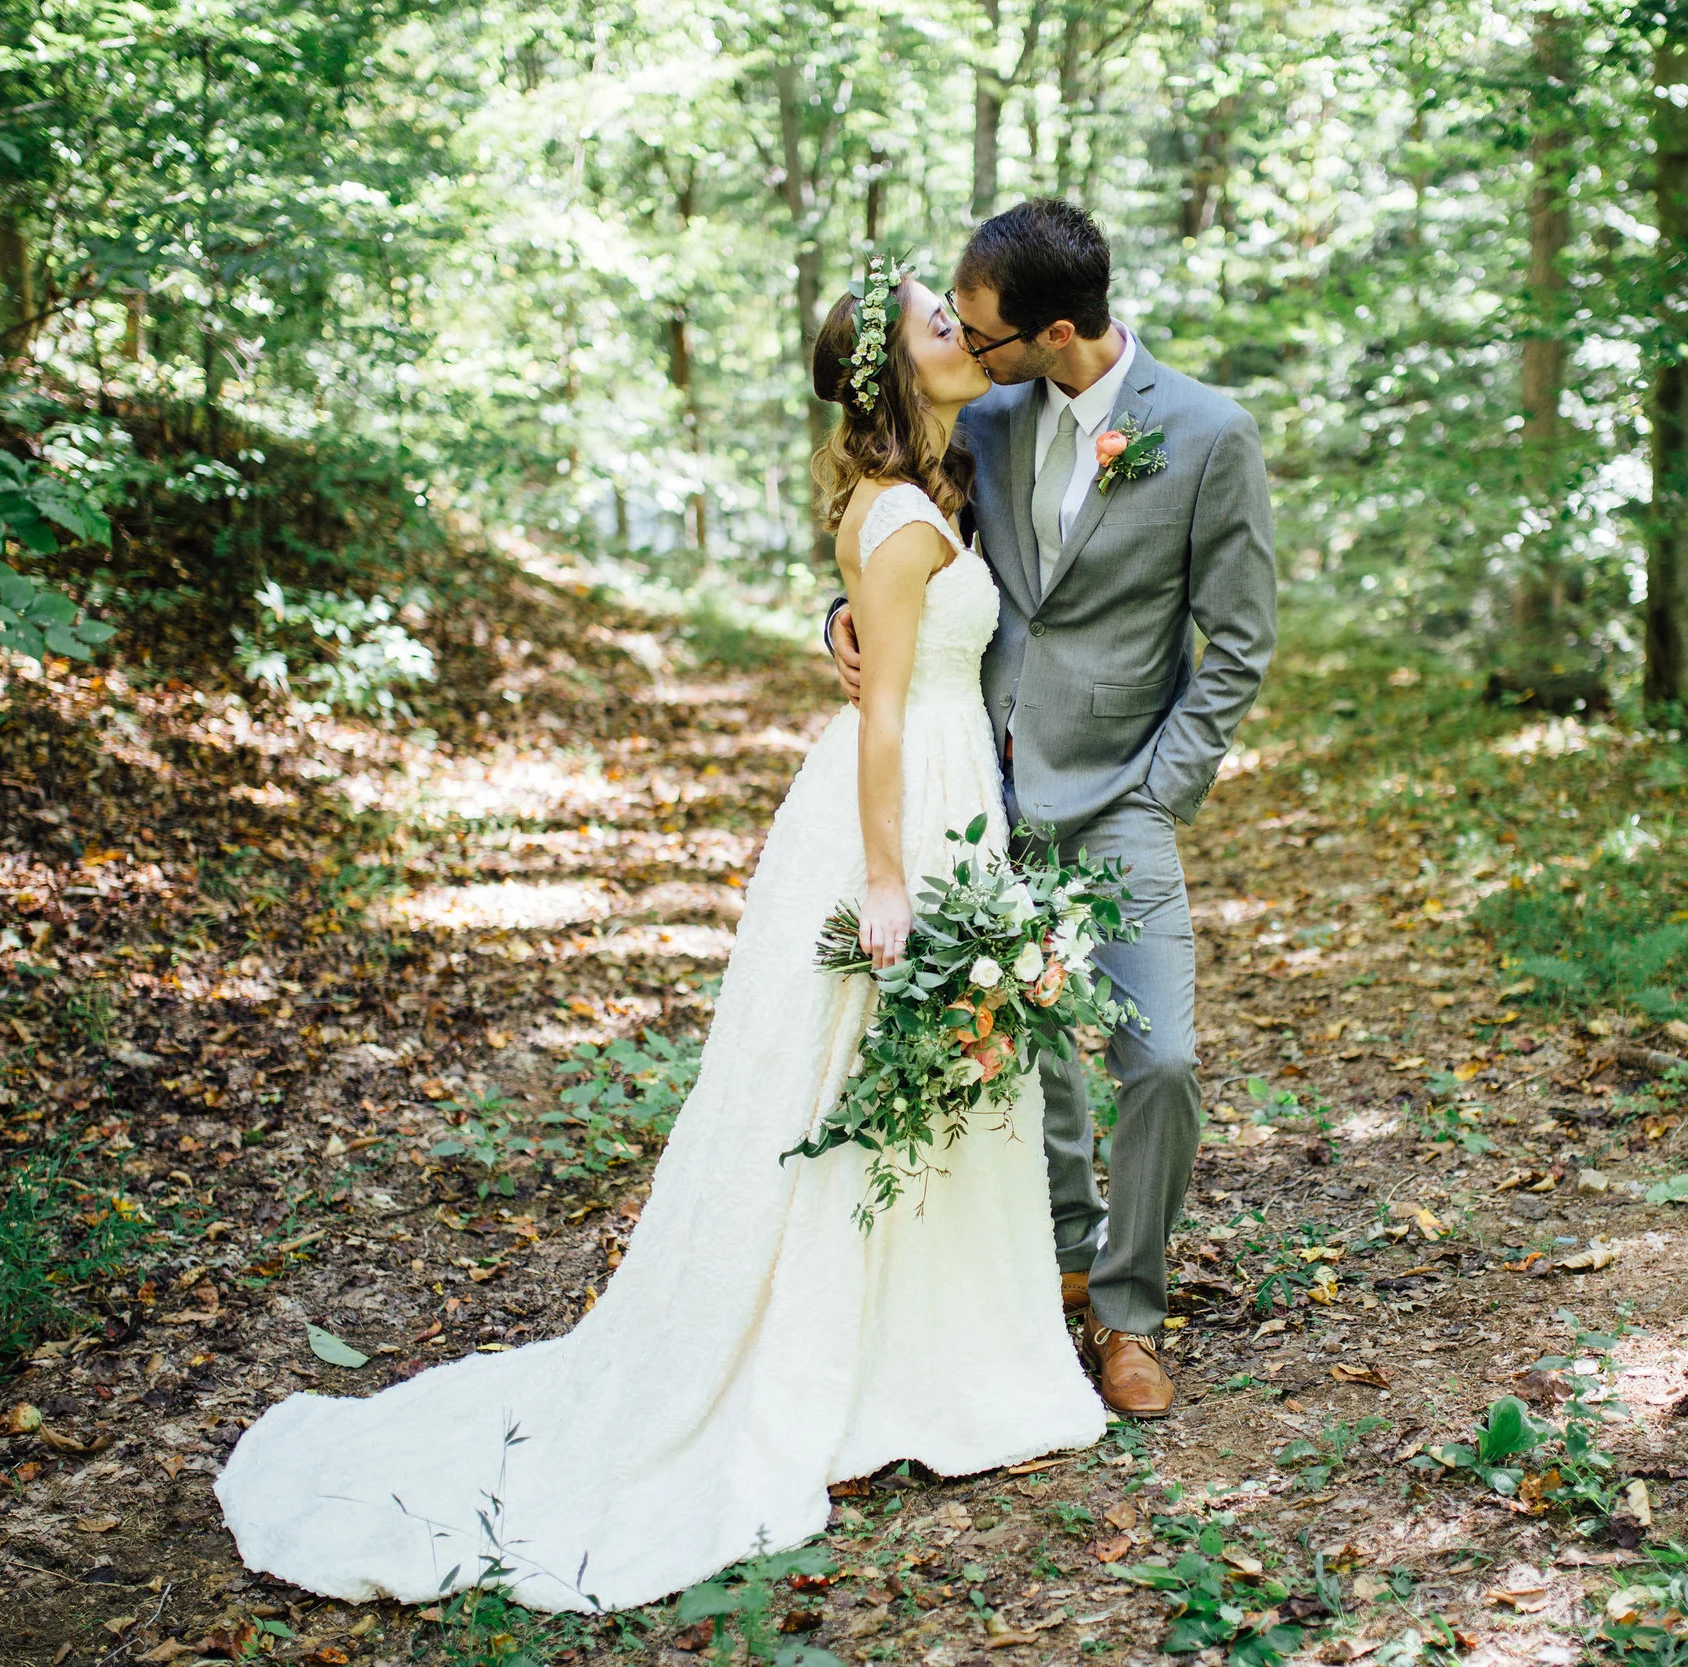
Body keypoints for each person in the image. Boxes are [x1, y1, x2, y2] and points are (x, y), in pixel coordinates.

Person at [214, 261, 1106, 1615]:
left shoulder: (938, 481)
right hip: (900, 802)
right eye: (938, 322)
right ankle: (868, 1358)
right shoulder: (908, 518)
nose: (961, 333)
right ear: (892, 369)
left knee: (910, 1079)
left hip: (939, 787)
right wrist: (885, 877)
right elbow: (881, 710)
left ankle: (921, 1342)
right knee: (857, 1080)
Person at [829, 199, 1277, 1418]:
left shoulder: (1206, 433)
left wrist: (1165, 788)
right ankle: (1072, 1261)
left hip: (1125, 794)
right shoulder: (987, 416)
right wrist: (839, 624)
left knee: (1162, 1060)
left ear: (1056, 330)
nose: (967, 351)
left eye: (984, 335)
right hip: (985, 790)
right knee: (1031, 1052)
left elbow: (1236, 644)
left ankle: (1133, 1310)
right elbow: (902, 543)